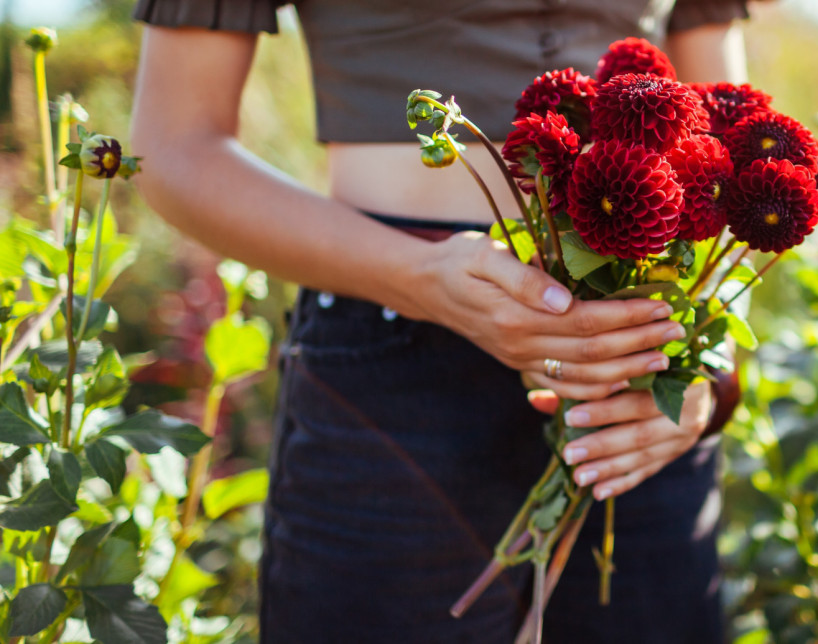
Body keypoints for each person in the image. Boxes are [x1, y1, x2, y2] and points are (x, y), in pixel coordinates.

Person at [130, 0, 750, 642]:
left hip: (640, 381)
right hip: (391, 363)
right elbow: (176, 146)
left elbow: (741, 144)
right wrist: (420, 280)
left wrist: (708, 373)